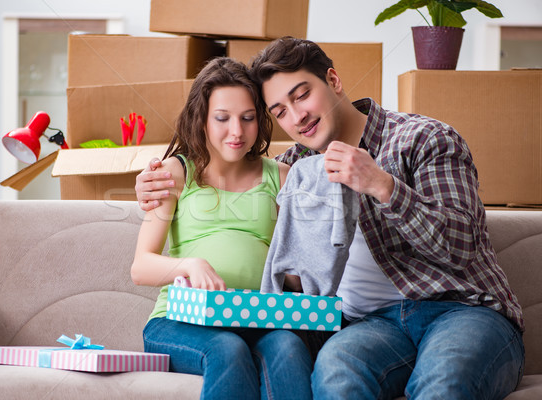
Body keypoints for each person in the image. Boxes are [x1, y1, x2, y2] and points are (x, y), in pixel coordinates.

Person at [135, 37, 525, 400]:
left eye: (302, 95)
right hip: (369, 326)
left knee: (445, 379)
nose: (297, 117)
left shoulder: (423, 139)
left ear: (333, 80)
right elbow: (235, 184)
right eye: (280, 112)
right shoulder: (295, 169)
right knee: (335, 376)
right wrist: (151, 185)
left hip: (462, 310)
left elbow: (460, 247)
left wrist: (382, 185)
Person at [130, 56, 312, 400]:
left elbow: (299, 272)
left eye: (248, 118)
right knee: (227, 349)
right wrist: (189, 264)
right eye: (222, 118)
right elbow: (141, 266)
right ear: (201, 120)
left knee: (289, 347)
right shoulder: (175, 172)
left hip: (258, 321)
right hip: (179, 322)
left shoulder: (281, 177)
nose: (237, 132)